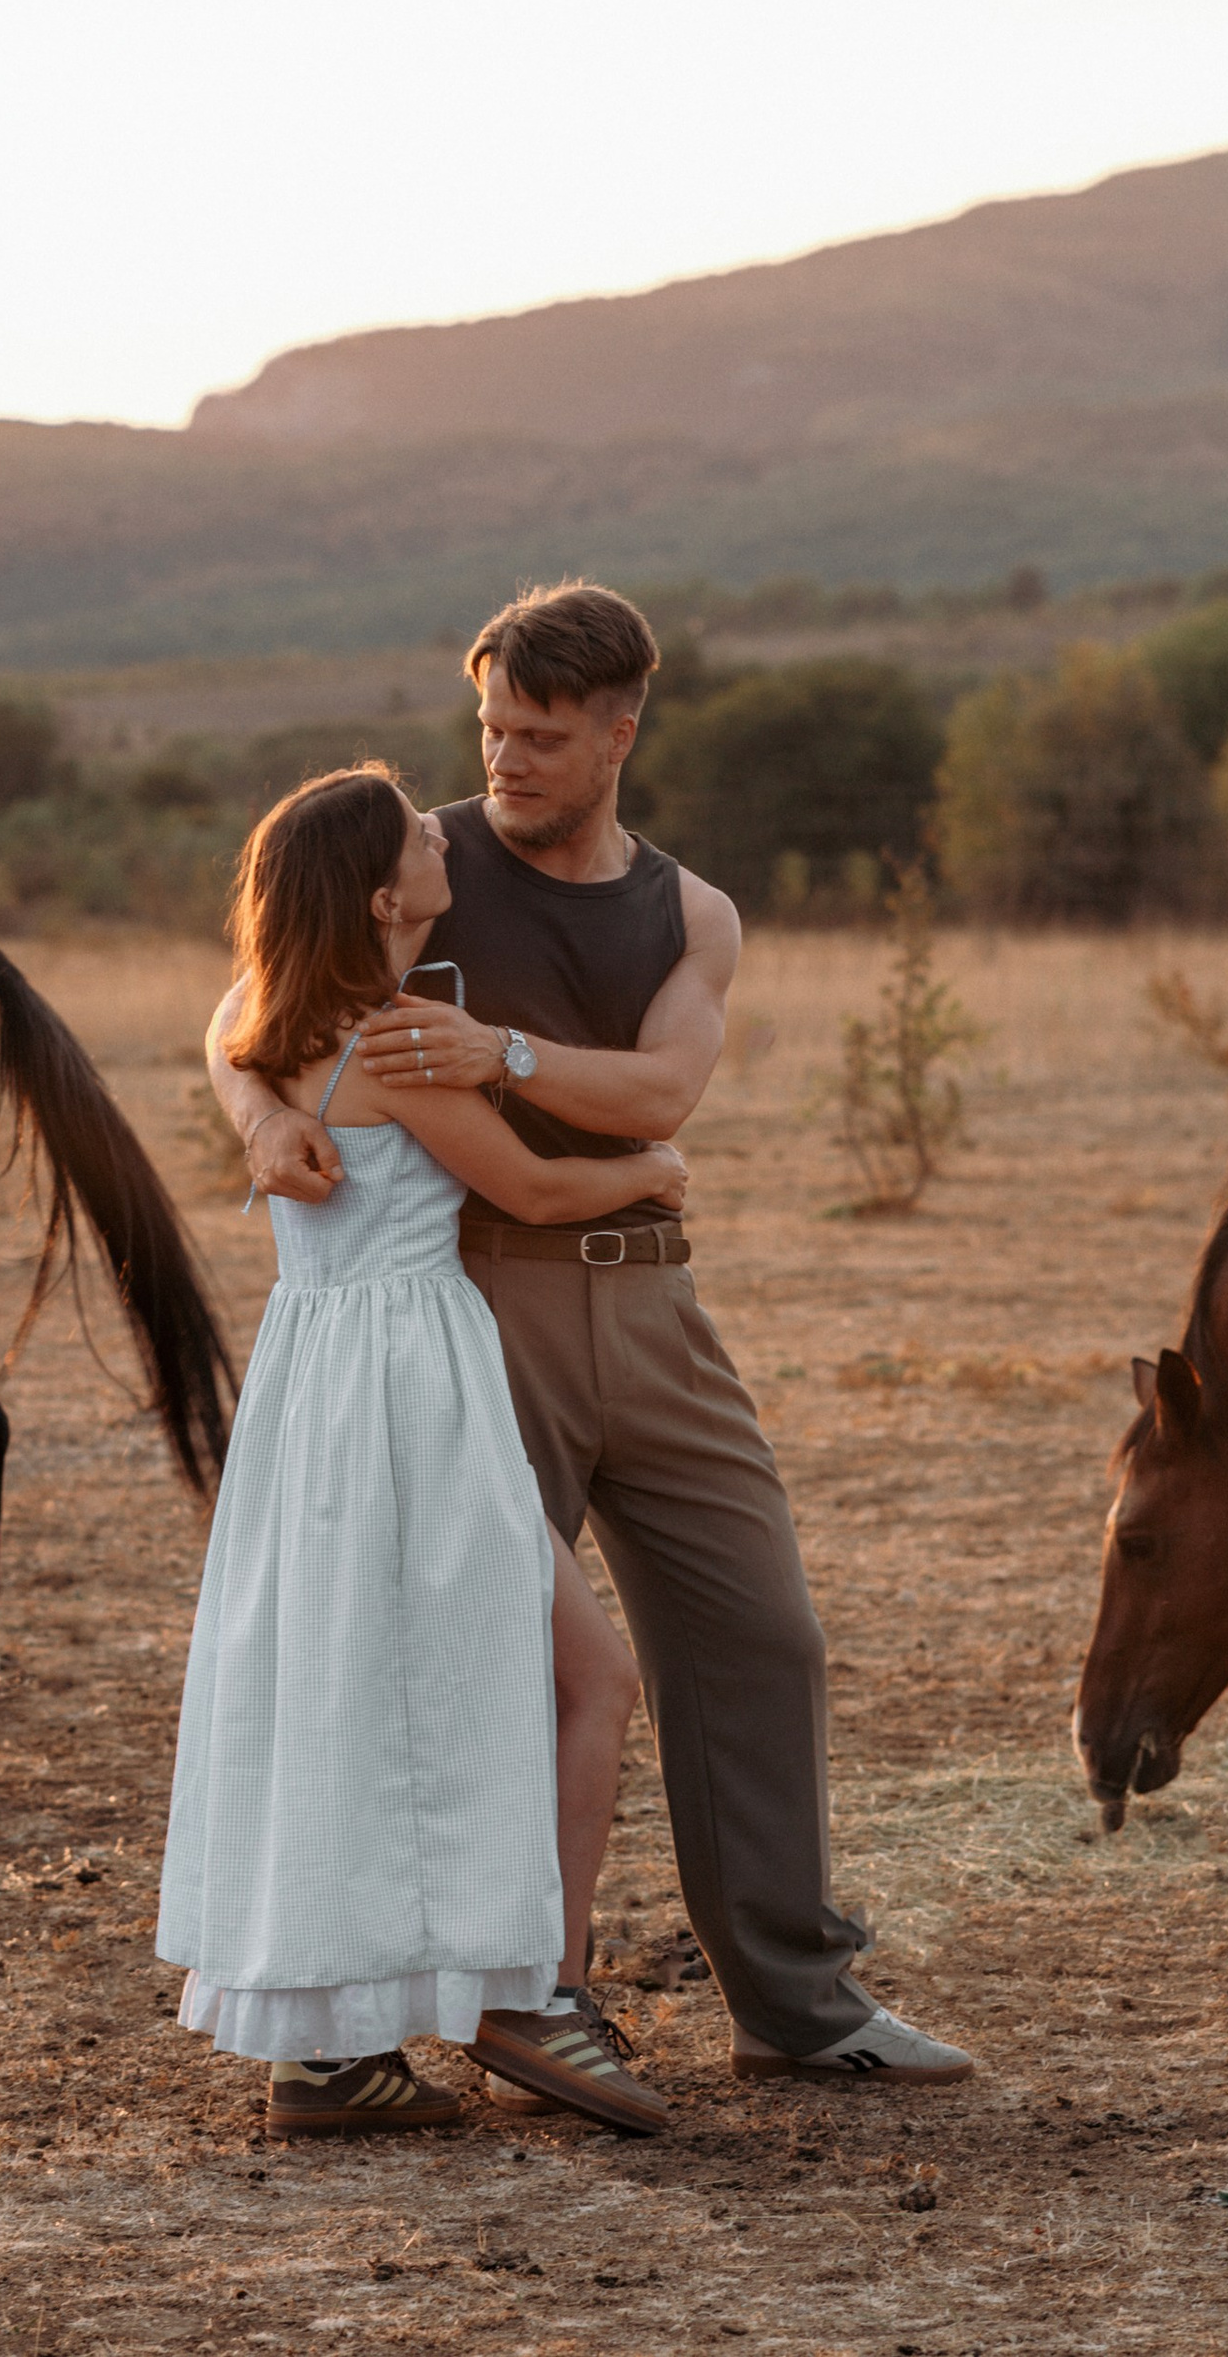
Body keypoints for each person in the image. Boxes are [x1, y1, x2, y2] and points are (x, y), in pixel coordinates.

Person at [206, 582, 974, 2087]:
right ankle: (439, 2016)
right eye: (493, 729)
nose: (505, 761)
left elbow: (661, 1095)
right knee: (477, 1664)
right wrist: (256, 1119)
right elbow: (252, 1002)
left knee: (762, 1635)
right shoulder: (416, 863)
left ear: (621, 734)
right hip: (482, 1304)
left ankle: (799, 2011)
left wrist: (501, 1051)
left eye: (542, 739)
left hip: (655, 1302)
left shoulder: (691, 914)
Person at [157, 764, 681, 2141]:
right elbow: (535, 1188)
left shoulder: (279, 1026)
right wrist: (652, 1171)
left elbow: (224, 1026)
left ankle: (329, 2052)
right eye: (415, 836)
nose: (441, 830)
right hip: (411, 1385)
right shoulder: (388, 1044)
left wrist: (262, 1112)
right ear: (385, 901)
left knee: (347, 1690)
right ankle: (535, 1997)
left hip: (314, 1379)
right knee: (590, 1675)